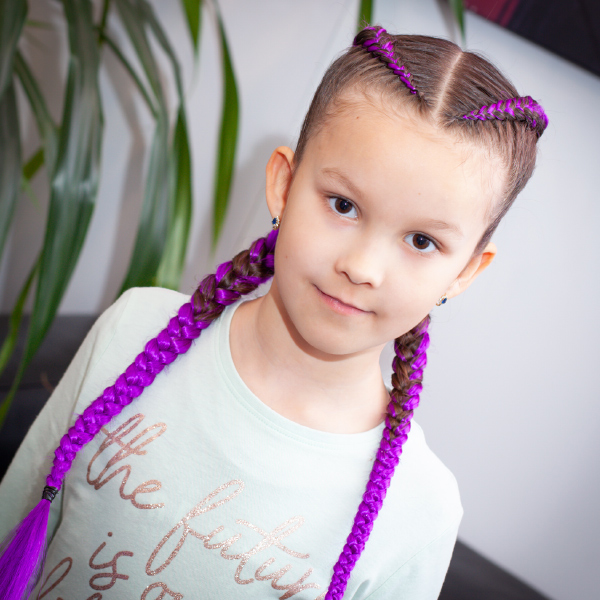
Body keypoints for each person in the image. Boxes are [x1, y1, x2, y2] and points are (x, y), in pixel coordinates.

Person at [0, 25, 547, 600]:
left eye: (421, 241)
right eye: (343, 205)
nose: (362, 267)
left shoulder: (421, 509)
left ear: (464, 272)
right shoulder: (133, 329)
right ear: (284, 185)